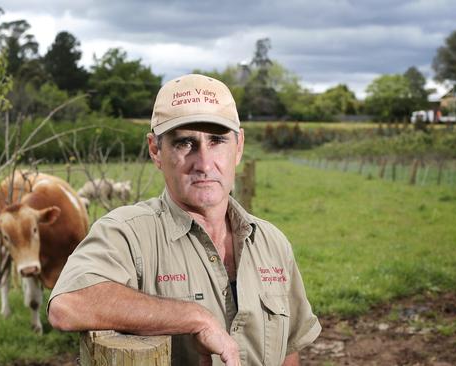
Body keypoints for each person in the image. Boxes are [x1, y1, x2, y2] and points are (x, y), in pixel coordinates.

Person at [47, 73, 321, 365]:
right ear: (155, 150)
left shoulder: (271, 242)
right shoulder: (128, 234)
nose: (204, 164)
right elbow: (69, 304)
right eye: (185, 143)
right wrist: (194, 317)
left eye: (217, 141)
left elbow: (288, 350)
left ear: (238, 146)